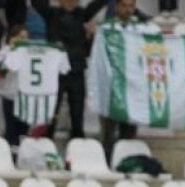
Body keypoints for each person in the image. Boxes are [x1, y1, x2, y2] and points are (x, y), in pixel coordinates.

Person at [33, 0, 109, 140]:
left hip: (77, 70)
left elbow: (98, 4)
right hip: (55, 73)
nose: (69, 2)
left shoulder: (82, 14)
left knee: (77, 115)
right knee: (51, 113)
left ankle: (77, 149)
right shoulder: (51, 13)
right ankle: (46, 145)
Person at [93, 0, 152, 161]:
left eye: (131, 6)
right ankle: (106, 163)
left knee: (129, 133)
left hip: (133, 89)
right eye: (124, 6)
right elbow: (98, 59)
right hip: (112, 89)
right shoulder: (106, 29)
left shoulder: (142, 29)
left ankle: (124, 163)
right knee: (109, 134)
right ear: (117, 7)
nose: (127, 10)